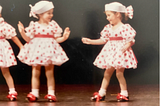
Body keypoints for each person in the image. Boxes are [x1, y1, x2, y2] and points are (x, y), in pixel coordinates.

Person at [82, 2, 137, 102]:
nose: (107, 18)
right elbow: (103, 40)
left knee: (119, 73)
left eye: (109, 15)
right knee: (107, 73)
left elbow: (131, 40)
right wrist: (90, 41)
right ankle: (101, 93)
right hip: (110, 53)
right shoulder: (108, 28)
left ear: (118, 14)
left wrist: (126, 46)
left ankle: (124, 93)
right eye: (106, 15)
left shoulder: (125, 28)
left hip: (120, 53)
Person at [17, 0, 70, 102]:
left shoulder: (53, 25)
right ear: (40, 14)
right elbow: (28, 39)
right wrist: (22, 32)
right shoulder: (34, 25)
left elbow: (56, 39)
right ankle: (34, 93)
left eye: (51, 13)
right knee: (35, 72)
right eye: (48, 13)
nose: (51, 15)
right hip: (37, 51)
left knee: (49, 72)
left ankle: (51, 93)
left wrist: (64, 37)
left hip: (49, 51)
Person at [0, 6, 23, 101]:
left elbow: (13, 37)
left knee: (6, 71)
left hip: (1, 48)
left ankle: (12, 91)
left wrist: (21, 46)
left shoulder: (3, 25)